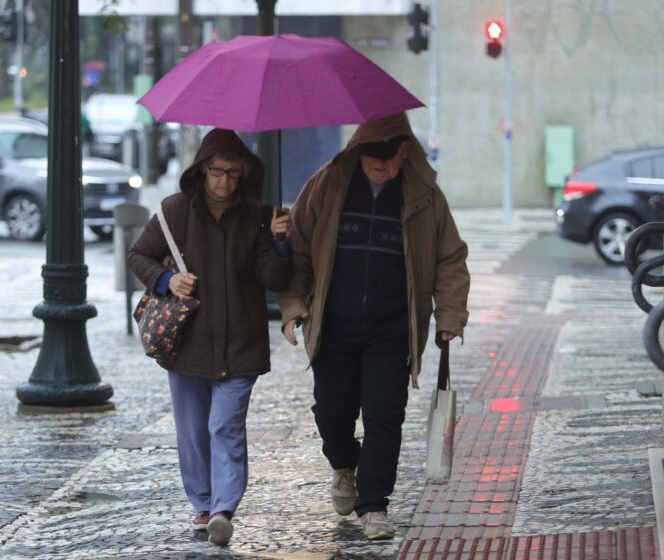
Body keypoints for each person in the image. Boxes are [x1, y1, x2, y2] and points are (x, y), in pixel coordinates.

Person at [277, 112, 470, 540]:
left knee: (385, 416)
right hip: (333, 324)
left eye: (389, 156)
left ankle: (374, 505)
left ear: (406, 151)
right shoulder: (326, 186)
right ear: (357, 150)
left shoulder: (425, 197)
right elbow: (299, 252)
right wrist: (294, 306)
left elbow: (450, 258)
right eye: (371, 156)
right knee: (332, 415)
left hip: (392, 328)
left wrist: (449, 316)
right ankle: (344, 465)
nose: (380, 164)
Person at [128, 128, 292, 547]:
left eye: (234, 173)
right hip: (188, 344)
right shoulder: (175, 211)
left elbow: (272, 278)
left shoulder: (258, 213)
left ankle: (223, 508)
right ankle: (202, 503)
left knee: (225, 424)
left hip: (241, 342)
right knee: (192, 430)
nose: (226, 181)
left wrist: (278, 243)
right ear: (202, 171)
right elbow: (138, 255)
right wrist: (167, 279)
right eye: (218, 171)